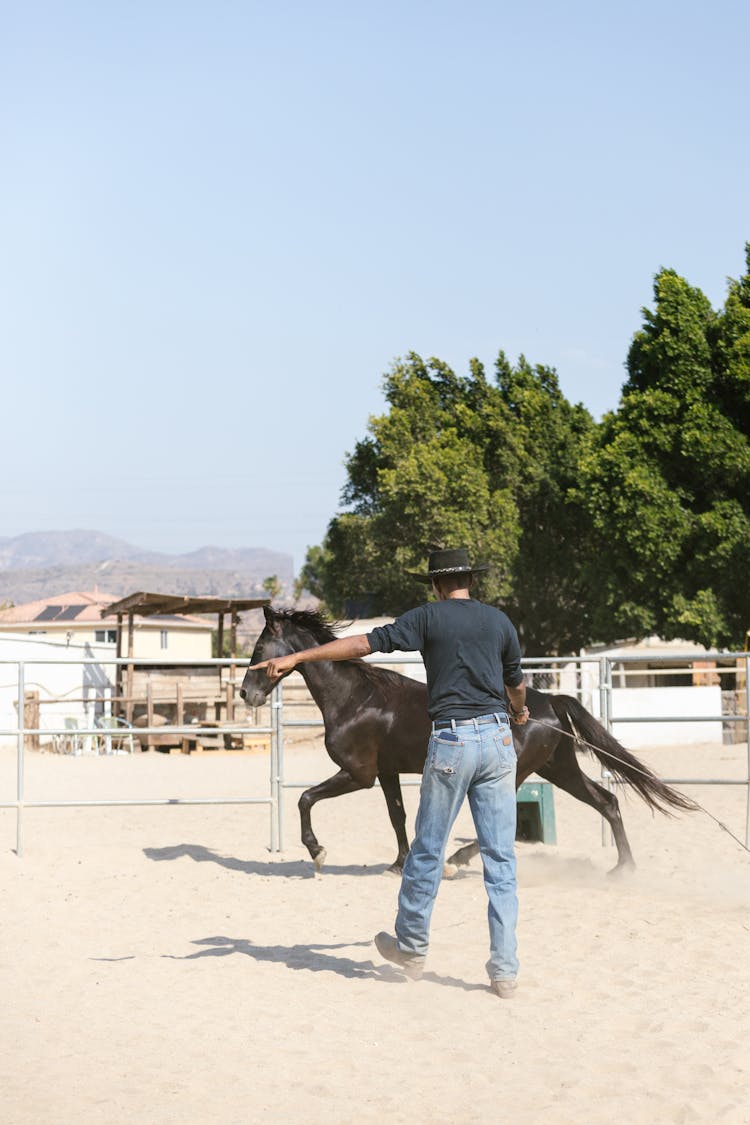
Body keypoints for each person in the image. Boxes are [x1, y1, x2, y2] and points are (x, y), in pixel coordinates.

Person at [251, 547, 529, 999]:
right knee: (500, 861)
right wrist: (517, 713)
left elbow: (362, 644)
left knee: (427, 849)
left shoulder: (428, 617)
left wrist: (299, 659)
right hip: (497, 741)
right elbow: (516, 684)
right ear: (470, 582)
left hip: (453, 742)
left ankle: (413, 949)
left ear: (437, 585)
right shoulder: (499, 622)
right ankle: (505, 971)